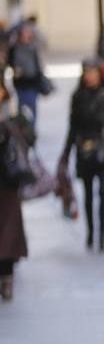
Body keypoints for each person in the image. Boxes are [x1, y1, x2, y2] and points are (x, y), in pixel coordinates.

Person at [59, 59, 104, 250]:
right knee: (88, 193)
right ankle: (91, 233)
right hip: (84, 149)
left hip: (103, 149)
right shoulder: (78, 96)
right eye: (87, 72)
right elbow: (73, 126)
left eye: (93, 72)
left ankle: (101, 235)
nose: (90, 76)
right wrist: (66, 154)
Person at [0, 89, 30, 302]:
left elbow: (27, 141)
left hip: (8, 186)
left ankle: (7, 279)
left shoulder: (12, 121)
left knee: (9, 235)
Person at [9, 21, 47, 126]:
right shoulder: (15, 47)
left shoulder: (33, 46)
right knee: (22, 106)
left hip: (32, 82)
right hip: (20, 82)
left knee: (32, 105)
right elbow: (10, 61)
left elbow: (38, 64)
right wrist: (15, 69)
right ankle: (23, 129)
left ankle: (31, 129)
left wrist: (39, 78)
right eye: (24, 32)